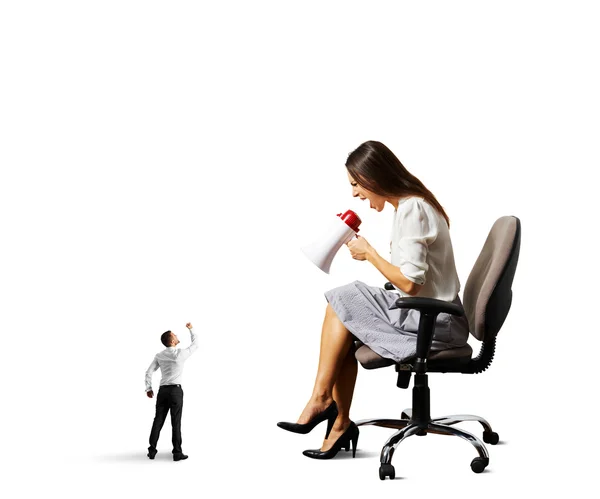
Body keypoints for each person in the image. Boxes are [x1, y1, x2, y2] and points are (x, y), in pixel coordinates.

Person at [277, 140, 470, 459]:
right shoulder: (412, 206)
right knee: (343, 310)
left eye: (356, 184)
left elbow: (409, 283)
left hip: (436, 321)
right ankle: (336, 419)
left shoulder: (413, 209)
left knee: (343, 298)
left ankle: (326, 405)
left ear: (374, 177)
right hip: (430, 314)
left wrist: (370, 254)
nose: (354, 193)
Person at [145, 322, 198, 461]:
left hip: (162, 391)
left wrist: (148, 388)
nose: (176, 335)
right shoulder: (180, 353)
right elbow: (195, 344)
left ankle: (151, 450)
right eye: (175, 335)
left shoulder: (159, 355)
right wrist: (191, 329)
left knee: (158, 420)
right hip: (176, 391)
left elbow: (149, 372)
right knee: (176, 422)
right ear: (172, 340)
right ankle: (177, 453)